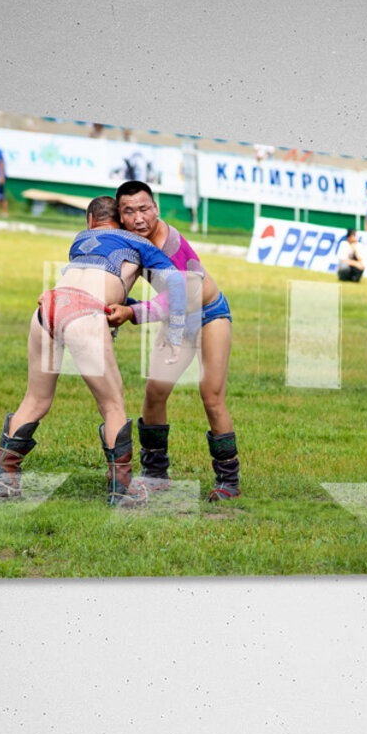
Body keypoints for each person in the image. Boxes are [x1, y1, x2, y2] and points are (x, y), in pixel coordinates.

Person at [0, 196, 187, 506]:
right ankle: (122, 489)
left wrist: (126, 308)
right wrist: (172, 332)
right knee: (113, 405)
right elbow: (178, 284)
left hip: (47, 307)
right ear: (121, 221)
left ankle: (1, 477)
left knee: (35, 399)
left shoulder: (80, 240)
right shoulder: (136, 242)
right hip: (84, 314)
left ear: (90, 222)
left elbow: (95, 287)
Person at [105, 180, 241, 502]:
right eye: (129, 211)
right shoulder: (131, 242)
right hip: (175, 317)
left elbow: (186, 298)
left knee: (211, 396)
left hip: (208, 315)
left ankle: (229, 481)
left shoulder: (168, 245)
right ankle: (155, 474)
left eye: (144, 209)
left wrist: (132, 312)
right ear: (120, 217)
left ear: (156, 209)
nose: (139, 218)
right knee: (155, 392)